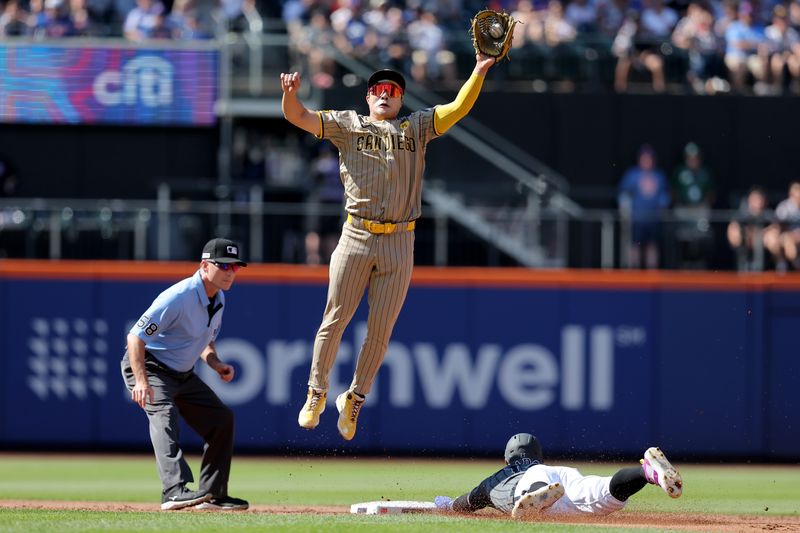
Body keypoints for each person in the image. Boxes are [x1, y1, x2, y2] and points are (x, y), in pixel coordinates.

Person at [281, 53, 497, 441]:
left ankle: (355, 398)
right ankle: (316, 393)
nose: (385, 94)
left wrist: (478, 71)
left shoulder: (415, 128)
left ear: (401, 100)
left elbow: (458, 107)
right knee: (336, 318)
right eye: (378, 89)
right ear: (368, 97)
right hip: (357, 235)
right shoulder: (348, 125)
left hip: (400, 238)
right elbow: (299, 117)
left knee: (381, 329)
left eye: (393, 91)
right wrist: (291, 95)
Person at [121, 238, 249, 511]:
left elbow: (203, 339)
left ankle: (212, 494)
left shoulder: (219, 298)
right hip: (152, 366)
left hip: (182, 374)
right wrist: (141, 381)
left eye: (235, 267)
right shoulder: (179, 297)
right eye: (223, 265)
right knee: (164, 414)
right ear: (204, 266)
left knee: (222, 420)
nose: (230, 272)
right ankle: (174, 491)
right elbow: (135, 337)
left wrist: (214, 363)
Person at [433, 433, 683, 519]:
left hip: (534, 483)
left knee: (532, 488)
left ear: (507, 459)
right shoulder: (545, 465)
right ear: (537, 453)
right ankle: (647, 472)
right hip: (564, 476)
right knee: (606, 491)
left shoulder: (495, 480)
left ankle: (538, 496)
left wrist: (445, 503)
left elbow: (463, 504)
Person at [618, 144, 671, 269]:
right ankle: (634, 273)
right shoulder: (632, 175)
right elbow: (624, 194)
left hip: (653, 219)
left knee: (652, 246)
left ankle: (652, 275)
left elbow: (664, 196)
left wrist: (663, 207)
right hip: (636, 219)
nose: (646, 161)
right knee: (635, 245)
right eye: (644, 158)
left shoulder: (659, 176)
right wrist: (624, 210)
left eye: (649, 158)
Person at [727, 186, 770, 271]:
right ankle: (742, 268)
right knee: (736, 234)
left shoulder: (768, 215)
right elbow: (733, 233)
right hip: (744, 246)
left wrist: (759, 235)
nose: (758, 203)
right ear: (749, 200)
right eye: (755, 199)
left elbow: (775, 229)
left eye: (760, 199)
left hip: (763, 250)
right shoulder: (741, 215)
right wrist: (748, 235)